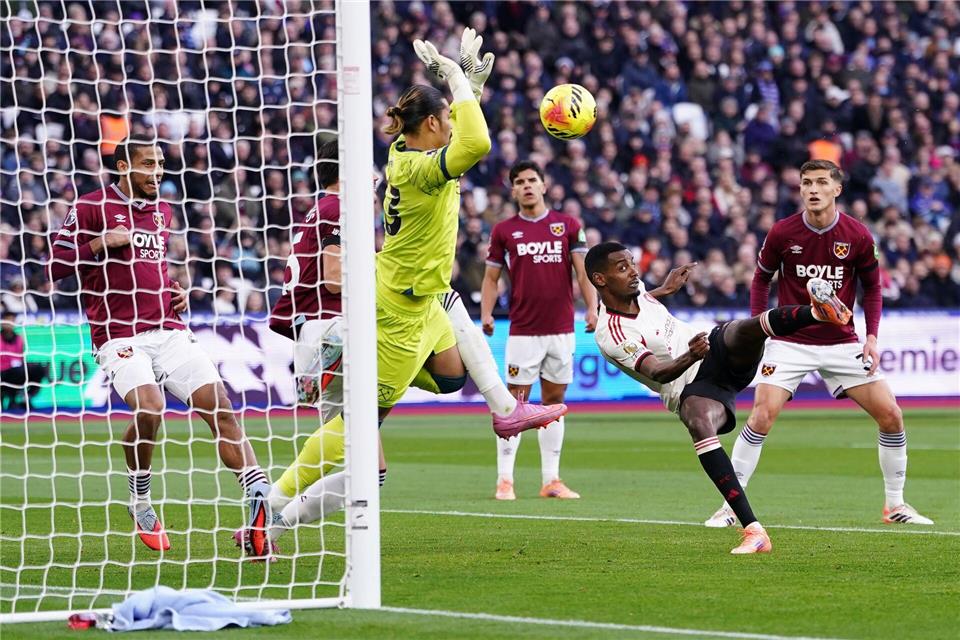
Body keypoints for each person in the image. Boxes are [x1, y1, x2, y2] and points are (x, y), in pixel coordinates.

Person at [266, 29, 566, 527]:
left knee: (450, 377)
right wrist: (454, 78)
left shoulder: (414, 158)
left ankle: (501, 408)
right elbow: (477, 142)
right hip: (400, 310)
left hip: (422, 298)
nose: (451, 120)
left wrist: (468, 87)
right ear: (430, 123)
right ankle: (271, 507)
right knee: (360, 426)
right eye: (445, 114)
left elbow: (460, 139)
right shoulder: (420, 171)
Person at [48, 136, 273, 557]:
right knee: (151, 407)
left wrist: (174, 289)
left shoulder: (162, 211)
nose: (157, 172)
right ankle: (141, 500)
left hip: (168, 329)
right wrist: (100, 243)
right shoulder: (91, 207)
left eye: (161, 164)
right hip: (118, 334)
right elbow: (55, 265)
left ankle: (260, 494)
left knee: (219, 405)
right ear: (122, 167)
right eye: (148, 164)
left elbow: (153, 265)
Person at [583, 241, 853, 553]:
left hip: (714, 351)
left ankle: (818, 314)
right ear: (600, 280)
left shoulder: (636, 290)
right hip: (691, 387)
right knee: (698, 421)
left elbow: (641, 299)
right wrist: (689, 356)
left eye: (631, 263)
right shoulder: (612, 334)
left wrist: (664, 290)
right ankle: (754, 531)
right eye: (622, 267)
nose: (633, 271)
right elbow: (658, 372)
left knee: (743, 330)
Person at [704, 160, 933, 528]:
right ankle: (731, 508)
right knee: (762, 416)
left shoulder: (857, 235)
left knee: (891, 415)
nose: (812, 189)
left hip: (842, 340)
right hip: (790, 340)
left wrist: (871, 336)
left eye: (821, 182)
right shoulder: (782, 233)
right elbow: (761, 280)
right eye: (806, 182)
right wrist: (757, 328)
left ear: (836, 190)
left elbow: (872, 288)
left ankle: (895, 505)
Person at [481, 159, 597, 501]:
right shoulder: (504, 231)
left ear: (544, 186)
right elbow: (491, 277)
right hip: (522, 331)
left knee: (554, 404)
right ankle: (505, 480)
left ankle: (551, 480)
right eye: (520, 181)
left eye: (533, 180)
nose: (527, 185)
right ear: (513, 189)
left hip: (561, 329)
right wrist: (486, 312)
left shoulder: (568, 225)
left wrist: (592, 307)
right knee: (514, 405)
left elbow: (582, 271)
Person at [0, 310, 47, 410]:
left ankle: (25, 398)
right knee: (18, 371)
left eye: (12, 320)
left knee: (39, 369)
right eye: (7, 321)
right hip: (3, 373)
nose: (10, 324)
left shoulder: (19, 339)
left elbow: (21, 358)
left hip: (18, 371)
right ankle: (11, 400)